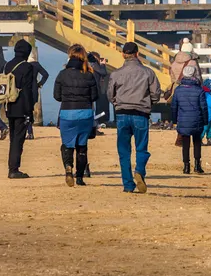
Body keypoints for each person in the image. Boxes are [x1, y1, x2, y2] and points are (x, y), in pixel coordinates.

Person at [107, 42, 161, 194]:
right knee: (141, 148)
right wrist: (149, 103)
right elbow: (156, 94)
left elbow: (110, 95)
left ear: (123, 54)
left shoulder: (116, 73)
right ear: (137, 54)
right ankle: (139, 170)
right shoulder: (148, 72)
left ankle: (128, 185)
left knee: (124, 151)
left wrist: (117, 103)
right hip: (140, 113)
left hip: (122, 113)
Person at [53, 44, 98, 187]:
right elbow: (94, 96)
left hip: (67, 112)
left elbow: (57, 96)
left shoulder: (62, 74)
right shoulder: (89, 74)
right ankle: (79, 177)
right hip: (85, 113)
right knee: (82, 146)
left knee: (67, 145)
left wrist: (68, 97)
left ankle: (68, 168)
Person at [4, 40, 36, 179]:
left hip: (9, 105)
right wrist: (30, 111)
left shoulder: (8, 65)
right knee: (18, 139)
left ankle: (12, 167)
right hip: (21, 106)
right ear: (27, 53)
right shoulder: (27, 67)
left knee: (13, 138)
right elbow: (28, 90)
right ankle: (14, 169)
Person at [171, 64, 208, 175]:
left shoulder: (178, 90)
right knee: (197, 142)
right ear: (194, 75)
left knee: (185, 144)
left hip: (183, 120)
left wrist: (174, 120)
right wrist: (205, 120)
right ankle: (197, 165)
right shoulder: (199, 90)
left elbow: (174, 107)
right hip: (197, 119)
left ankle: (186, 166)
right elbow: (203, 107)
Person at [25, 55, 50, 140]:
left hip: (25, 90)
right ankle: (30, 131)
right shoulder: (36, 65)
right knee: (29, 110)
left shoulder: (24, 65)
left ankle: (29, 132)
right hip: (34, 90)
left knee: (25, 111)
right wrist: (40, 84)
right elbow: (46, 74)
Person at [201, 78, 211, 146]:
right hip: (207, 115)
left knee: (210, 127)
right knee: (205, 128)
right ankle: (200, 139)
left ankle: (210, 138)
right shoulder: (207, 94)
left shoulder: (207, 93)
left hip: (210, 115)